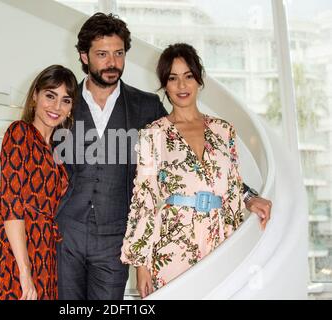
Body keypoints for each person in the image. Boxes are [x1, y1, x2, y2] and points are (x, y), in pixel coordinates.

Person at [56, 13, 272, 300]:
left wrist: (246, 196)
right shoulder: (61, 104)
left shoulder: (146, 107)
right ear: (84, 56)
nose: (112, 63)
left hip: (114, 240)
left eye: (118, 53)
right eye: (102, 54)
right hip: (64, 235)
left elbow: (193, 160)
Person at [121, 43, 262, 299]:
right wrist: (141, 265)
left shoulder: (224, 130)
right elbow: (145, 198)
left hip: (220, 240)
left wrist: (249, 204)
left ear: (199, 79)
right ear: (165, 85)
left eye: (188, 76)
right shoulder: (153, 134)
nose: (181, 86)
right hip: (173, 243)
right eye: (173, 78)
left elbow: (232, 188)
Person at [0, 65, 78, 300]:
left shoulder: (58, 152)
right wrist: (25, 271)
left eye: (65, 100)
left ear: (71, 109)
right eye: (50, 96)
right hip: (11, 256)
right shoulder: (19, 133)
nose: (56, 107)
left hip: (45, 255)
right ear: (35, 96)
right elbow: (12, 207)